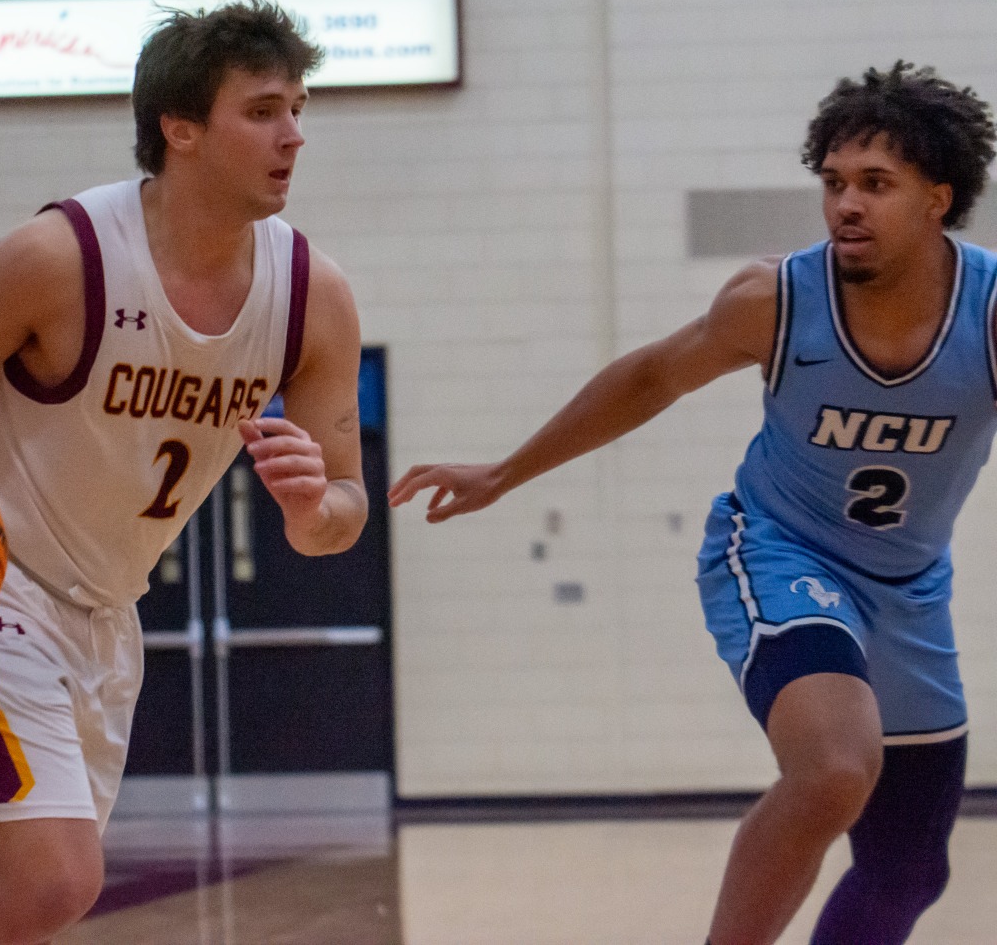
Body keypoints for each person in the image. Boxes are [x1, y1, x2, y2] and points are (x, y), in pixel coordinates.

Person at [0, 1, 366, 944]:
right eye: (263, 110)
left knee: (2, 890)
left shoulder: (315, 297)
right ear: (179, 127)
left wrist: (315, 505)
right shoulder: (60, 257)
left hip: (107, 613)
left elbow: (341, 510)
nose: (294, 134)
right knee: (52, 879)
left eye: (299, 107)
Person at [392, 63, 997, 945]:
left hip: (910, 587)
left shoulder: (987, 313)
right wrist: (505, 471)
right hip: (782, 552)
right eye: (833, 183)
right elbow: (649, 376)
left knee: (910, 866)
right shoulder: (777, 299)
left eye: (877, 184)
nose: (846, 205)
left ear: (939, 198)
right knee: (833, 768)